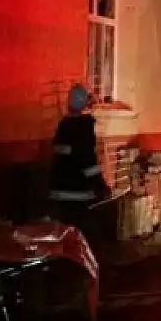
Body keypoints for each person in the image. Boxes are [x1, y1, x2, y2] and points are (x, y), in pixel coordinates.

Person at [45, 84, 111, 244]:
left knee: (63, 238)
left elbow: (58, 157)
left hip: (58, 193)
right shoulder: (83, 129)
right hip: (78, 195)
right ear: (85, 104)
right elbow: (88, 163)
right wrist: (101, 185)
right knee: (80, 240)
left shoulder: (63, 126)